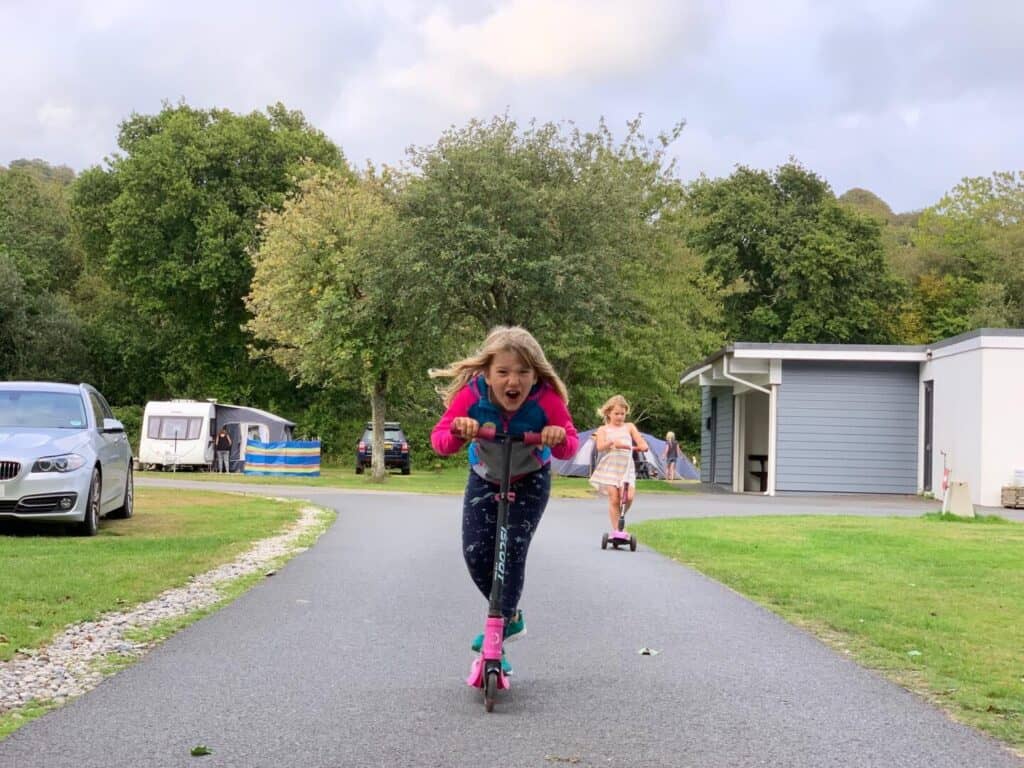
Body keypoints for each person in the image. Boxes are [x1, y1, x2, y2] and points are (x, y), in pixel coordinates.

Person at [430, 326, 579, 676]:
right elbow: (439, 440)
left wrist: (556, 437)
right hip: (485, 476)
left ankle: (495, 628)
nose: (513, 381)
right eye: (503, 372)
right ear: (487, 373)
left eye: (523, 372)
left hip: (530, 479)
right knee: (476, 551)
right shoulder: (473, 396)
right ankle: (509, 616)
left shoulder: (546, 400)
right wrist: (457, 430)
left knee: (511, 548)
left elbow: (570, 444)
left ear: (535, 374)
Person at [589, 395, 648, 533]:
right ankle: (618, 531)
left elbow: (641, 443)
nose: (620, 417)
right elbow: (600, 447)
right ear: (609, 413)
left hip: (626, 467)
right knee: (614, 499)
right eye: (616, 413)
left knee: (628, 497)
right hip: (610, 467)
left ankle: (620, 517)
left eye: (622, 414)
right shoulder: (603, 429)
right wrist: (612, 443)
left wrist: (643, 446)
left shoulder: (629, 427)